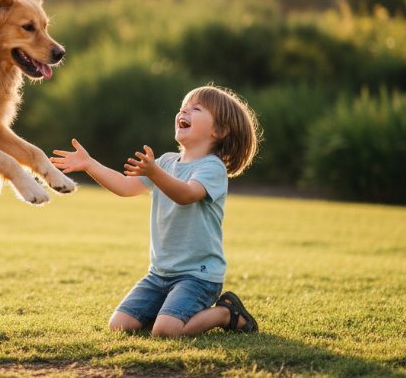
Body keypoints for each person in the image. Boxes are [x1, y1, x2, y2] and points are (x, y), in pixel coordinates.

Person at [50, 84, 262, 337]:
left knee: (165, 331)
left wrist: (154, 173)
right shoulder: (166, 162)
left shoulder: (211, 168)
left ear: (219, 130)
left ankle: (226, 313)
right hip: (159, 274)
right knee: (120, 325)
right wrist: (89, 164)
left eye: (196, 109)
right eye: (183, 108)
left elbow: (186, 194)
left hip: (198, 276)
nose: (184, 112)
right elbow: (125, 187)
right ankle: (170, 310)